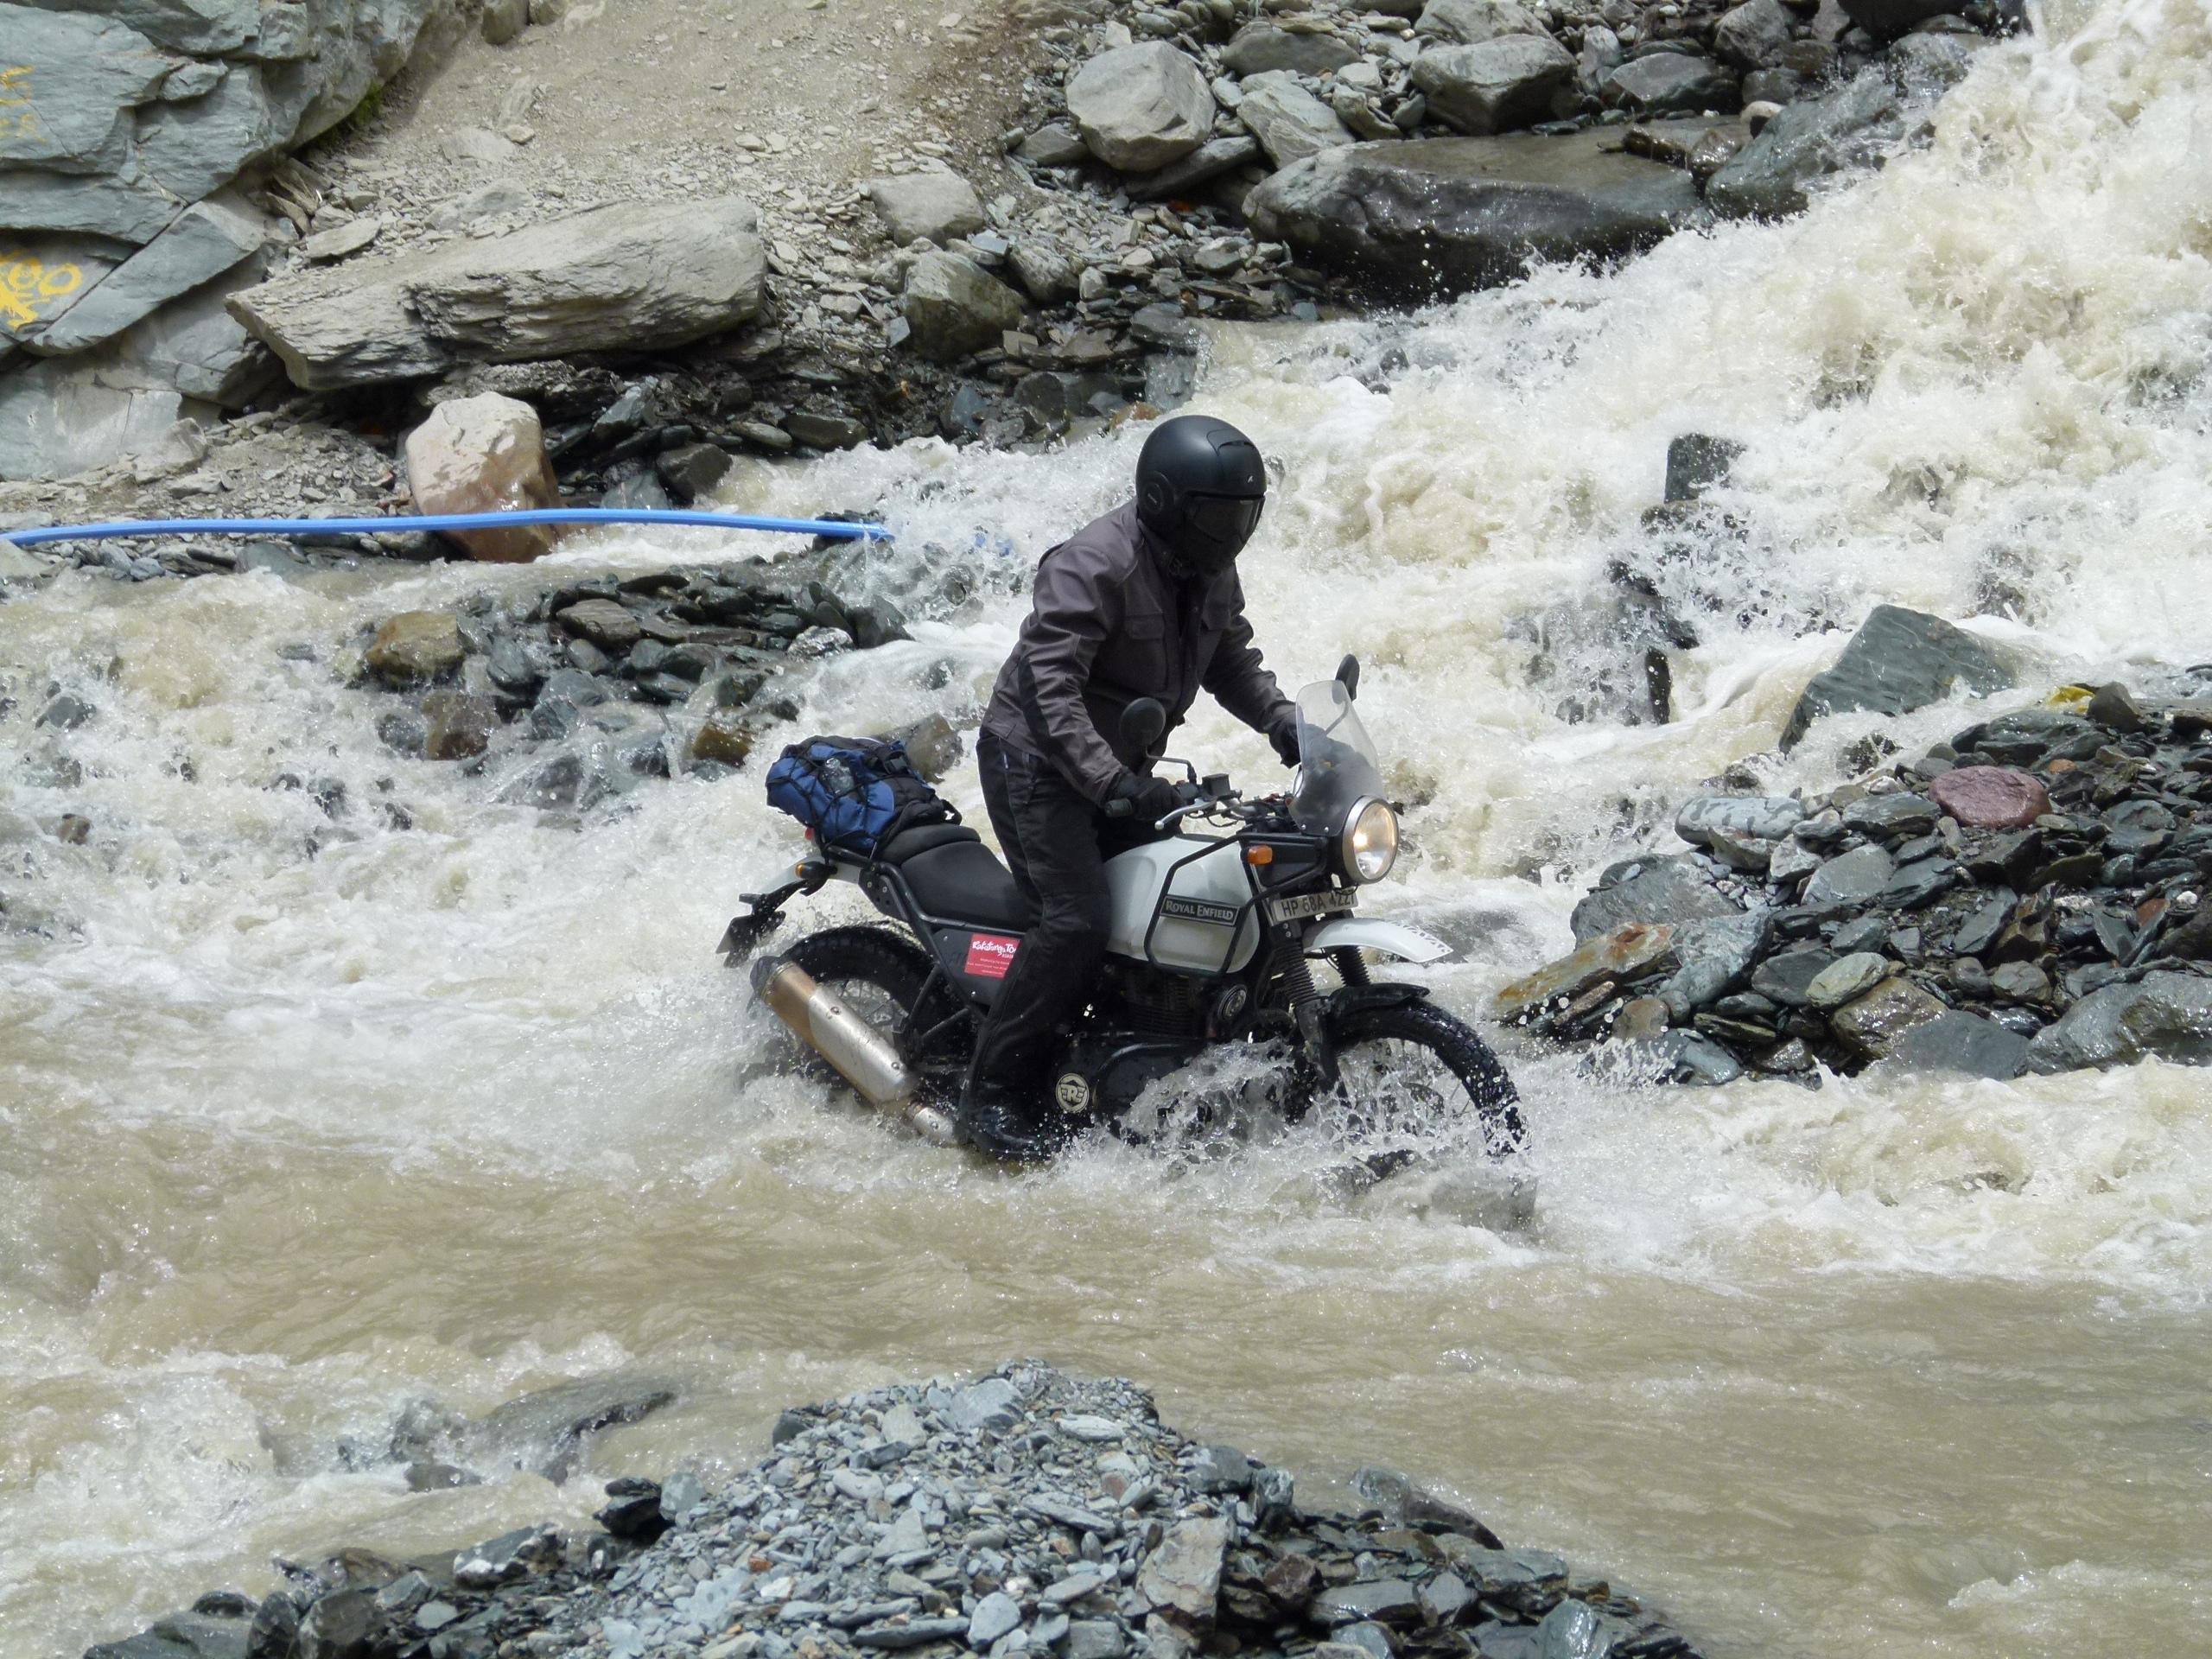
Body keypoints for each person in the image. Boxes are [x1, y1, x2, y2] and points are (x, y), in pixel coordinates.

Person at [963, 414, 1301, 1160]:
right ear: (1166, 500)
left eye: (1243, 513)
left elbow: (1230, 658)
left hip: (1123, 764)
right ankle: (988, 1095)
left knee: (1173, 896)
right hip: (1040, 763)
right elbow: (1051, 691)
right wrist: (1112, 782)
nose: (1231, 528)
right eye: (1217, 513)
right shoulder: (1095, 565)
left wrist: (1285, 721)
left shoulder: (1207, 567)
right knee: (1078, 919)